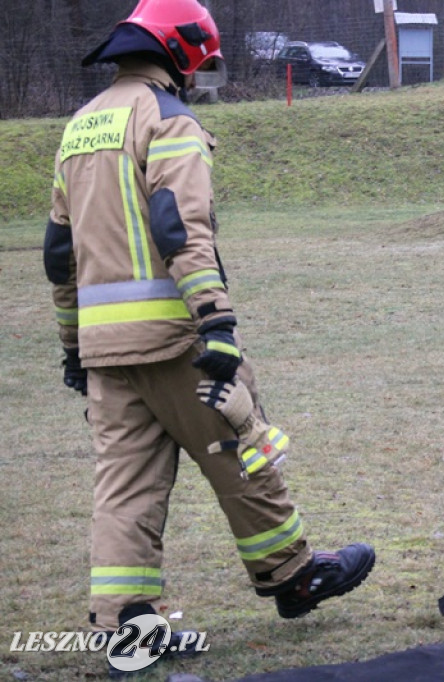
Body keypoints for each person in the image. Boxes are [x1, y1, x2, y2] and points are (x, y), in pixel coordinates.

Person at [43, 0, 375, 665]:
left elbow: (59, 250)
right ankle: (292, 575)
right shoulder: (169, 119)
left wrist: (72, 343)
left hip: (106, 349)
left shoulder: (80, 125)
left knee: (124, 485)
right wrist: (216, 322)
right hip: (176, 337)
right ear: (183, 51)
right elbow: (180, 229)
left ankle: (125, 622)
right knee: (242, 447)